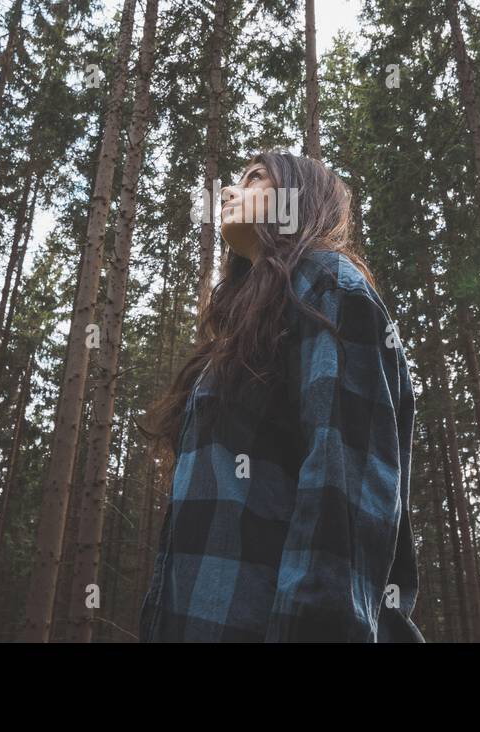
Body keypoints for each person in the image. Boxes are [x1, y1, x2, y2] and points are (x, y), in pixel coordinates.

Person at [136, 150, 425, 642]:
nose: (228, 192)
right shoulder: (237, 336)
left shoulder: (326, 286)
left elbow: (342, 491)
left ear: (297, 198)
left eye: (253, 179)